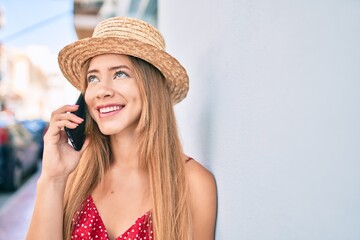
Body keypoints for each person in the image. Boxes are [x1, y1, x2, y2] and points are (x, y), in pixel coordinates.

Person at [26, 16, 217, 240]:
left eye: (120, 74)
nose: (101, 91)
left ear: (150, 87)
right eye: (93, 78)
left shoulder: (193, 183)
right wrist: (52, 178)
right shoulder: (75, 175)